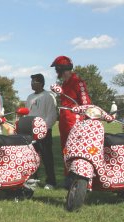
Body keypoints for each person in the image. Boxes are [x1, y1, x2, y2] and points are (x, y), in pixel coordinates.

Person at [50, 55, 91, 188]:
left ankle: (77, 177)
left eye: (57, 69)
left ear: (60, 68)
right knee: (66, 150)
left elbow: (86, 103)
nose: (56, 72)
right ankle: (69, 177)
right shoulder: (65, 83)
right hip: (64, 121)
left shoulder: (78, 82)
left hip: (75, 121)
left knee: (75, 149)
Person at [26, 73, 57, 189]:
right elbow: (28, 113)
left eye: (34, 82)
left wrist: (44, 128)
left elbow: (52, 115)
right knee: (32, 156)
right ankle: (33, 179)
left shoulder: (48, 96)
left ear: (41, 83)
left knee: (47, 157)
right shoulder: (30, 97)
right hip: (31, 131)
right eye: (31, 82)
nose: (32, 84)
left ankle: (51, 182)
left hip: (44, 131)